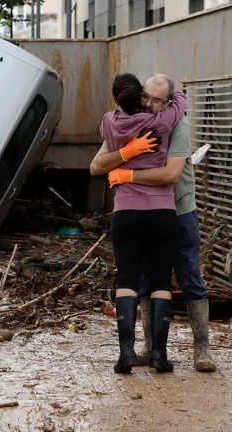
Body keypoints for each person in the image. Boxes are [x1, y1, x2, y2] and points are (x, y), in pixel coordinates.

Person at [90, 74, 217, 372]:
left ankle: (202, 349)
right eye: (144, 95)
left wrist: (128, 174)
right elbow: (97, 164)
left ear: (168, 102)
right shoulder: (142, 117)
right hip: (156, 212)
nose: (148, 103)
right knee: (149, 280)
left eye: (156, 100)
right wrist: (127, 151)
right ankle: (151, 347)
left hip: (180, 209)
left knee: (189, 277)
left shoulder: (177, 124)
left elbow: (171, 174)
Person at [97, 73, 186, 374]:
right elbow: (180, 104)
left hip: (126, 212)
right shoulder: (162, 122)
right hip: (162, 211)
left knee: (127, 281)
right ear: (139, 95)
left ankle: (127, 355)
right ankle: (159, 355)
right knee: (161, 280)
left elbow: (101, 159)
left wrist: (126, 153)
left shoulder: (109, 122)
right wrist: (178, 95)